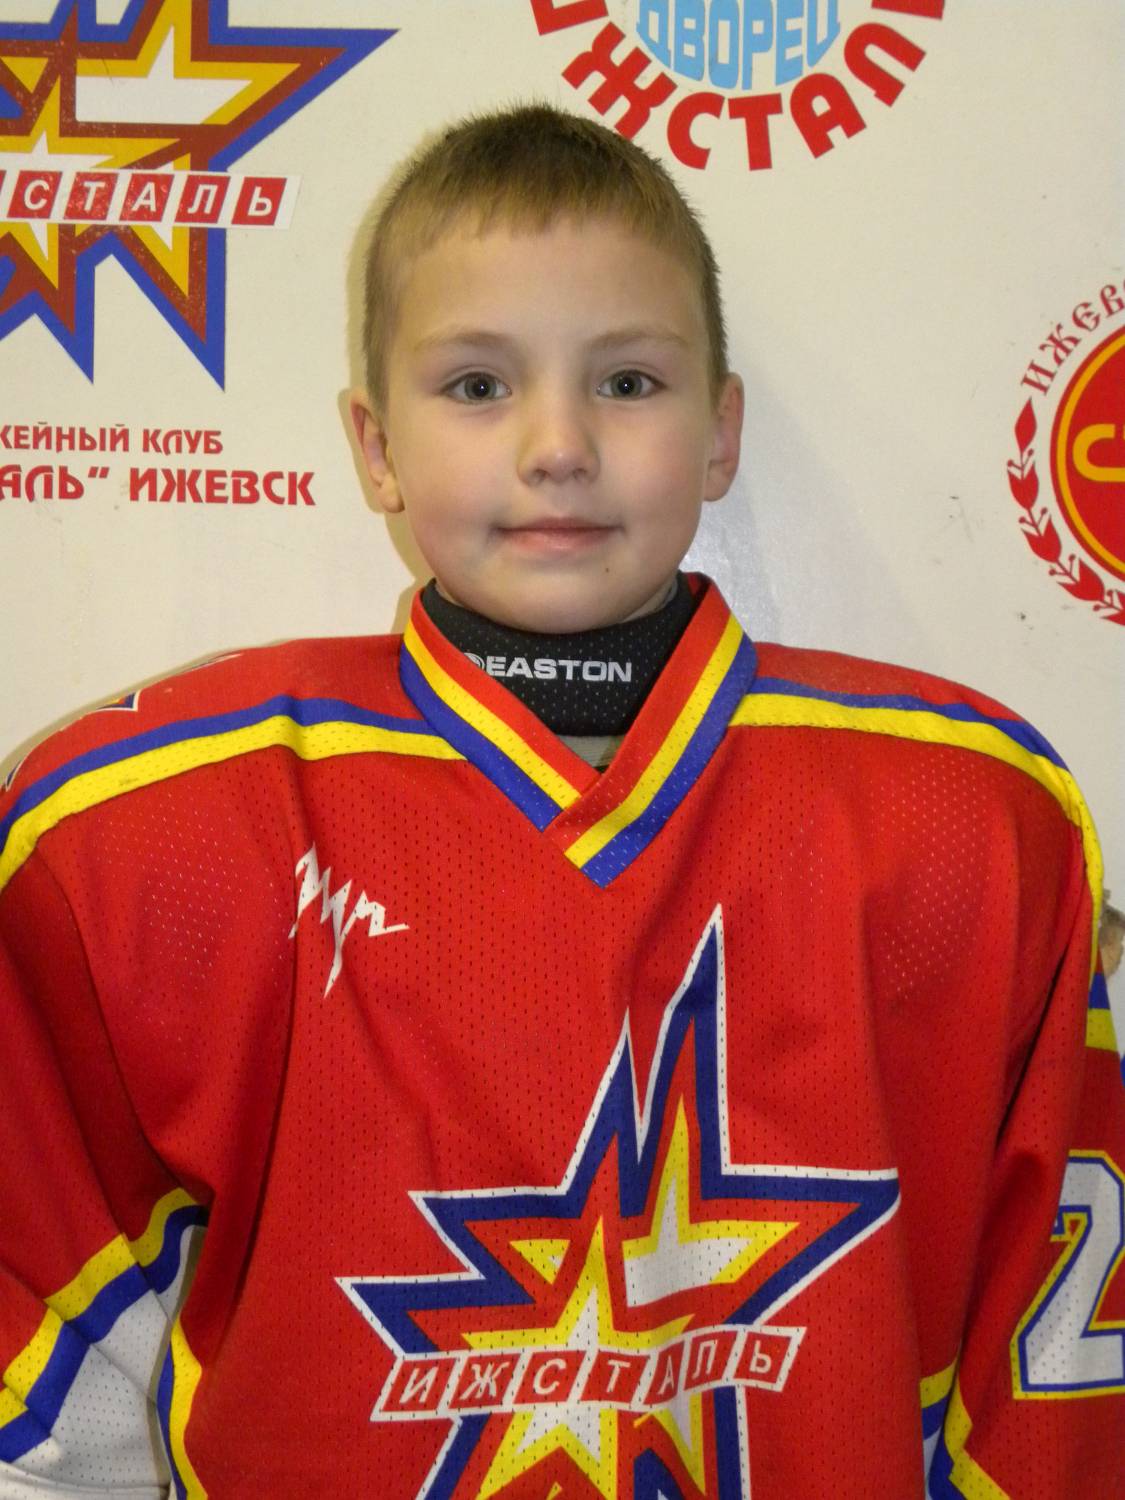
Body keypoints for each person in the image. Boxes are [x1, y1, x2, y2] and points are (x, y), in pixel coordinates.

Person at [0, 103, 1121, 1500]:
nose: (558, 444)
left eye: (628, 381)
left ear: (720, 434)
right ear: (374, 447)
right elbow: (52, 1349)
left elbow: (1047, 1376)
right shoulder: (144, 829)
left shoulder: (969, 820)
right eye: (477, 384)